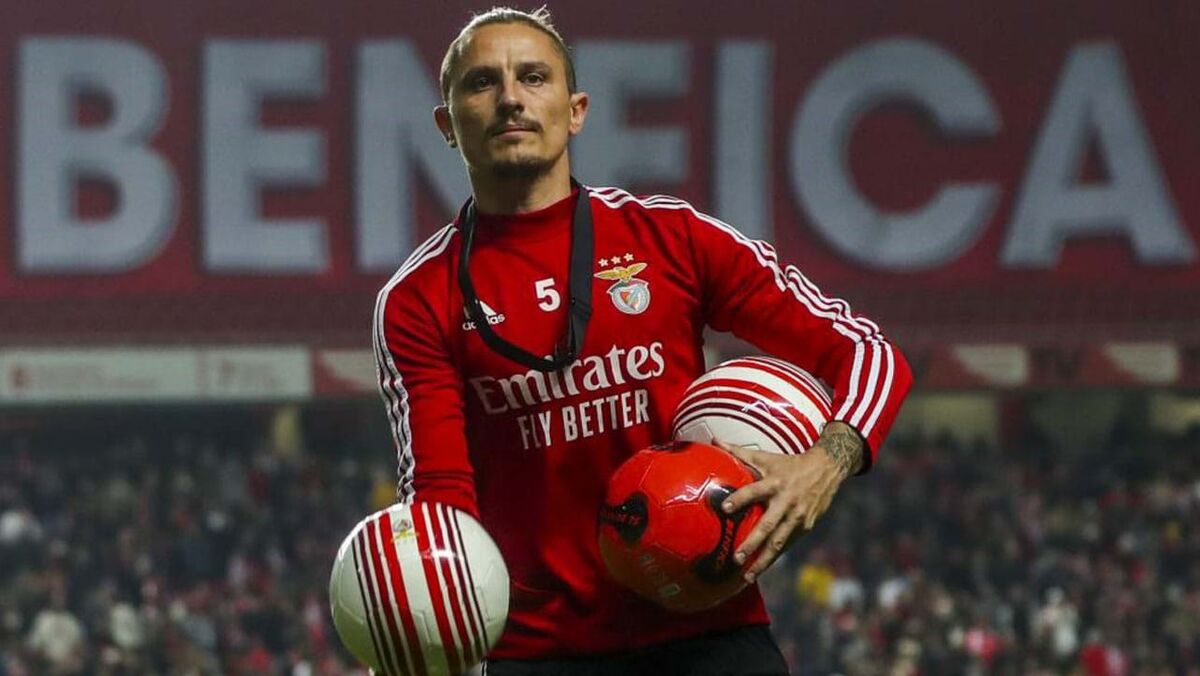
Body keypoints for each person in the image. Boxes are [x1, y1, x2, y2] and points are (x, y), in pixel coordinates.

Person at [373, 7, 912, 675]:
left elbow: (868, 352)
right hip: (537, 654)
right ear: (446, 124)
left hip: (708, 634)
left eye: (533, 77)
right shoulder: (417, 298)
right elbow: (441, 499)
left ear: (576, 111)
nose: (510, 97)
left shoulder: (672, 237)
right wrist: (419, 620)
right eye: (482, 82)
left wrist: (825, 463)